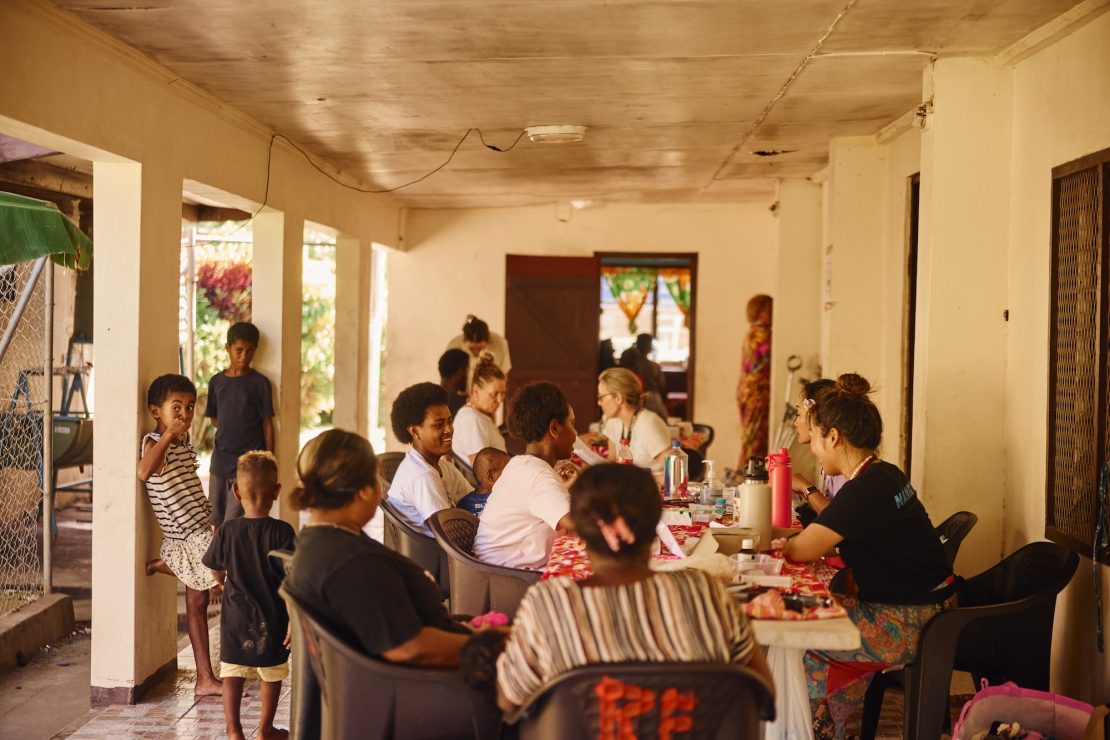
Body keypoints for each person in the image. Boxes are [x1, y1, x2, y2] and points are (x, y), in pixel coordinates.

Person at [496, 464, 774, 712]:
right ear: (656, 524)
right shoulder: (706, 594)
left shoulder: (548, 605)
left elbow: (509, 701)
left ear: (578, 527)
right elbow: (763, 693)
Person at [777, 373, 956, 740]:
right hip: (926, 609)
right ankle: (822, 726)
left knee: (801, 634)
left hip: (910, 622)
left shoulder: (864, 490)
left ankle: (812, 728)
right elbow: (837, 540)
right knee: (812, 616)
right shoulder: (882, 475)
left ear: (833, 437)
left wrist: (777, 542)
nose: (814, 451)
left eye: (817, 438)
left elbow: (800, 551)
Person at [284, 430, 471, 665]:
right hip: (433, 677)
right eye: (378, 479)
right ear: (364, 491)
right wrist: (488, 644)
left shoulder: (316, 542)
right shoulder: (352, 563)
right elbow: (409, 649)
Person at [137, 374, 222, 697]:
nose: (184, 414)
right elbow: (144, 471)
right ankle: (207, 678)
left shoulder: (182, 443)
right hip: (185, 535)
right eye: (176, 407)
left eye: (189, 407)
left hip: (199, 527)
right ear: (155, 411)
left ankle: (205, 678)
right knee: (224, 580)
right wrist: (169, 434)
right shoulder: (154, 442)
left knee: (197, 603)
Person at [202, 451, 295, 740]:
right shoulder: (282, 532)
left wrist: (221, 581)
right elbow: (293, 580)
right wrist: (293, 620)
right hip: (273, 617)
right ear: (277, 491)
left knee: (232, 674)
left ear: (235, 491)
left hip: (235, 617)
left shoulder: (228, 530)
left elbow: (215, 567)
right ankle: (265, 729)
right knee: (271, 672)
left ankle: (234, 731)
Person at [473, 382, 578, 570]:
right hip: (503, 577)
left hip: (494, 571)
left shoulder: (520, 465)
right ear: (554, 428)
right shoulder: (538, 474)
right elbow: (576, 522)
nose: (575, 433)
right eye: (572, 423)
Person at [206, 321, 275, 526]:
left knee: (233, 520)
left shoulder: (260, 384)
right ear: (227, 348)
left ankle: (226, 548)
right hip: (220, 461)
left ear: (255, 350)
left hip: (248, 464)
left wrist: (269, 459)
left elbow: (267, 423)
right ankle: (218, 548)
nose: (244, 356)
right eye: (238, 350)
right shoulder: (216, 382)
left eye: (249, 351)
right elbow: (214, 418)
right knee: (215, 518)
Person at [389, 382, 470, 535]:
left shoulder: (443, 467)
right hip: (431, 550)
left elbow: (474, 500)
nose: (449, 429)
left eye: (449, 421)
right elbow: (450, 534)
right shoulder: (422, 475)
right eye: (439, 425)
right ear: (415, 431)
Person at [790, 379, 845, 523]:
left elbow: (838, 521)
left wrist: (805, 486)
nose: (795, 422)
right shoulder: (832, 460)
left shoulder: (844, 469)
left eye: (798, 413)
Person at [597, 367, 671, 468]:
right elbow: (612, 461)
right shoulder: (613, 421)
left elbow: (673, 472)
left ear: (618, 398)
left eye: (601, 397)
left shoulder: (649, 424)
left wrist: (645, 476)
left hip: (649, 479)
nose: (599, 402)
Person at [737, 294, 772, 467]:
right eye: (769, 310)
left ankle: (745, 472)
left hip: (746, 392)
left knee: (750, 438)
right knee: (755, 441)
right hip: (757, 395)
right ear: (760, 312)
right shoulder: (762, 336)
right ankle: (747, 473)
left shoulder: (751, 334)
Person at [452, 356, 508, 465]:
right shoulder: (472, 419)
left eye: (503, 394)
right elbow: (481, 469)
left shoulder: (475, 416)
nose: (500, 400)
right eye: (494, 394)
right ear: (476, 391)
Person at [445, 314, 512, 382]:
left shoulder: (500, 344)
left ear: (488, 341)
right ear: (464, 342)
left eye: (480, 348)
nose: (476, 352)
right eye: (471, 349)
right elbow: (447, 379)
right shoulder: (454, 346)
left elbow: (503, 375)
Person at [619, 333, 668, 418]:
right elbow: (662, 386)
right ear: (648, 346)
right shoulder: (653, 366)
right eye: (650, 344)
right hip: (651, 398)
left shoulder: (631, 365)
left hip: (635, 398)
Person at [457, 447, 510, 517]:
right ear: (491, 476)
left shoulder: (463, 504)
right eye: (507, 471)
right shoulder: (507, 498)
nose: (511, 475)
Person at [438, 348, 470, 417]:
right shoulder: (462, 405)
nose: (469, 376)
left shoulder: (433, 400)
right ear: (459, 373)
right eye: (467, 371)